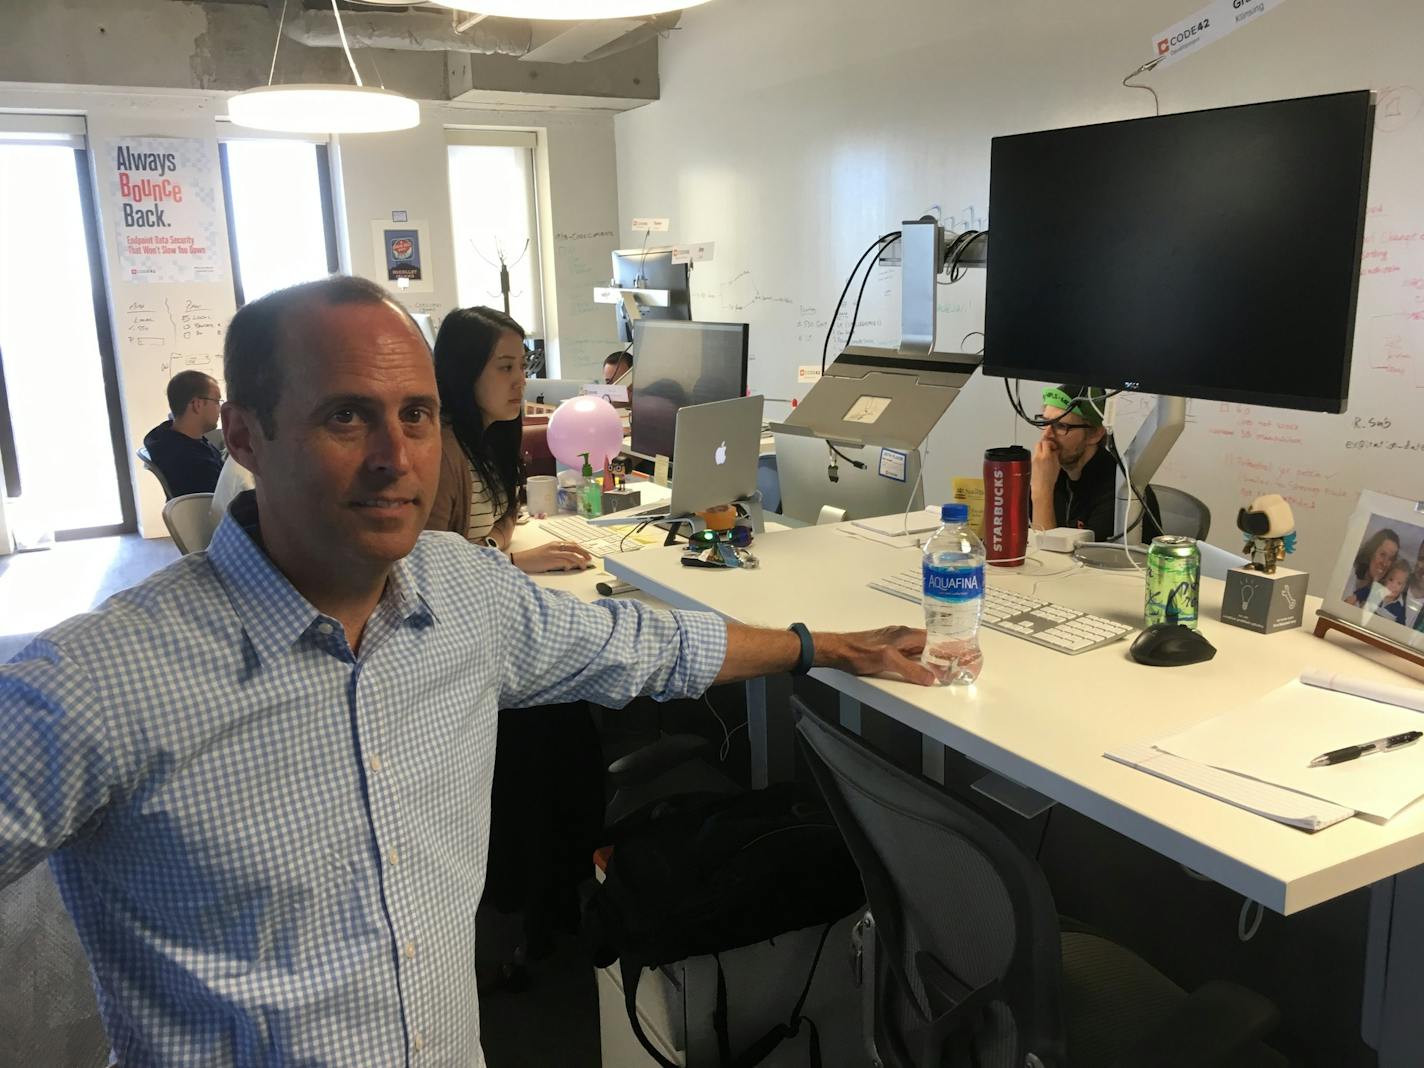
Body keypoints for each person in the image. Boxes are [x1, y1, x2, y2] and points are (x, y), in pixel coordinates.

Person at [0, 275, 933, 1065]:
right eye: (344, 417)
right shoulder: (103, 679)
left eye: (415, 416)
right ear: (243, 437)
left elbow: (645, 647)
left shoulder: (462, 591)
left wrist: (818, 645)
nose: (396, 457)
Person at [428, 306, 591, 574]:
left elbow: (507, 516)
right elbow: (428, 567)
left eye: (522, 366)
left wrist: (488, 545)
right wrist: (515, 563)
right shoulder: (440, 453)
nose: (521, 381)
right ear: (464, 372)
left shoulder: (490, 437)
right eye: (505, 367)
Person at [1029, 385, 1160, 544]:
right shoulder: (1053, 471)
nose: (1046, 436)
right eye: (1045, 422)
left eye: (1061, 426)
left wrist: (1042, 491)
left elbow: (1057, 561)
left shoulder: (1120, 493)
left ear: (1095, 434)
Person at [142, 370, 224, 497]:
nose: (220, 409)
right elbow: (226, 501)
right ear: (197, 404)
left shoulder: (165, 436)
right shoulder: (195, 464)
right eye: (217, 401)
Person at [1345, 528, 1400, 606]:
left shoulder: (1382, 596)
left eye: (1391, 559)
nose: (1385, 563)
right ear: (1371, 552)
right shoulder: (1348, 577)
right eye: (1382, 554)